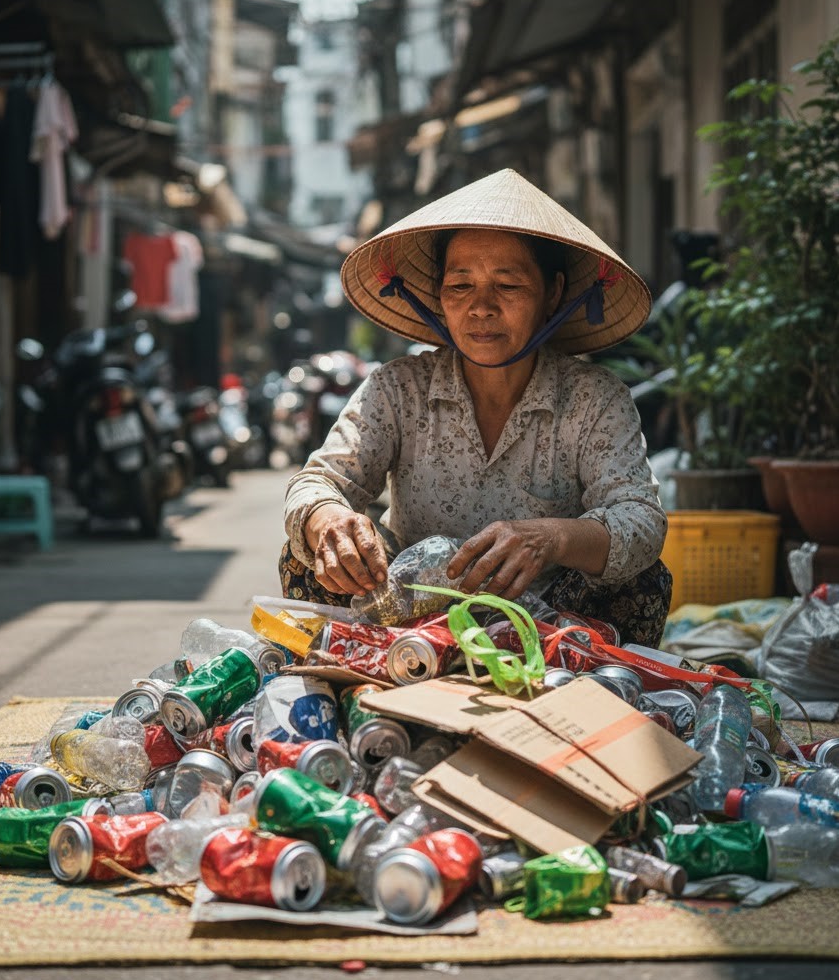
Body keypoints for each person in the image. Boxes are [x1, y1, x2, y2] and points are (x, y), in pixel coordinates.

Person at [281, 168, 671, 647]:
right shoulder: (398, 388)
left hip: (545, 627)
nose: (481, 308)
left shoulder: (594, 399)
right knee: (306, 552)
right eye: (461, 286)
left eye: (507, 286)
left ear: (552, 293)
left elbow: (641, 520)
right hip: (407, 618)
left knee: (642, 579)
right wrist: (329, 519)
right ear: (440, 296)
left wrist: (550, 537)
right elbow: (319, 481)